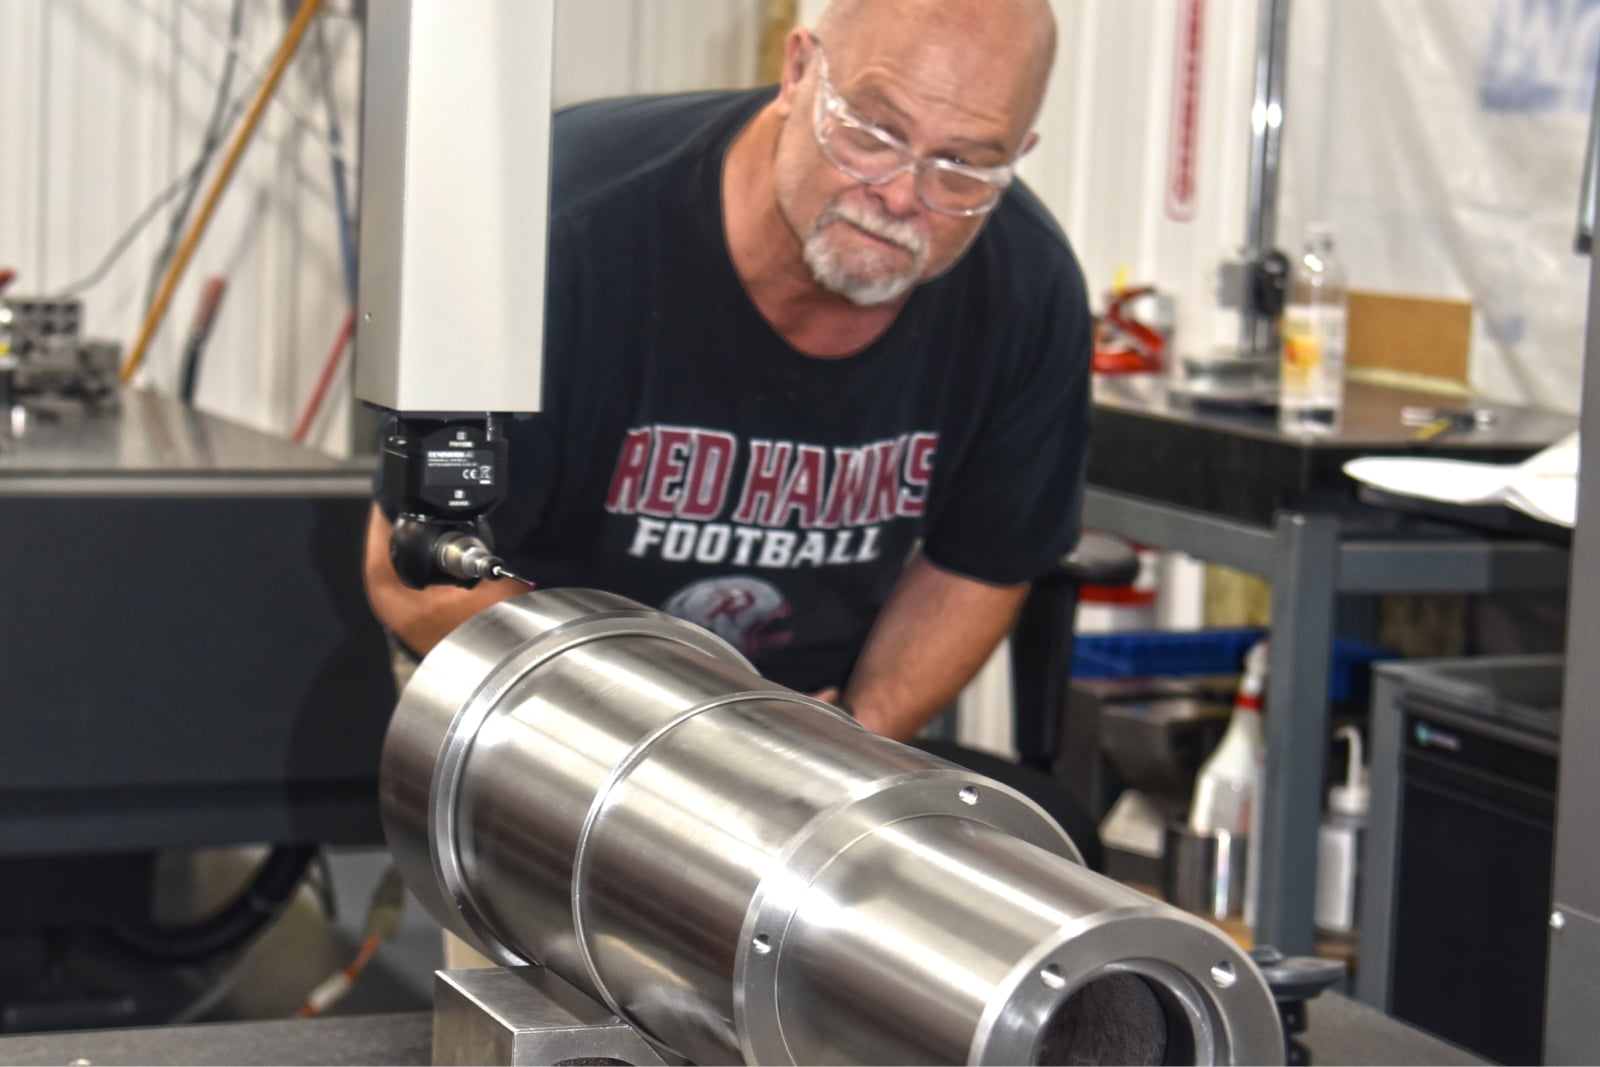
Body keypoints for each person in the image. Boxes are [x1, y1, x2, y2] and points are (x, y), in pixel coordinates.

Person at [364, 0, 1092, 745]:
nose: (903, 196)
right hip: (544, 707)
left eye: (963, 164)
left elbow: (978, 566)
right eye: (874, 132)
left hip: (803, 729)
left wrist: (847, 745)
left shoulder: (1027, 292)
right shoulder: (562, 228)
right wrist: (676, 754)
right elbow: (412, 577)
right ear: (799, 72)